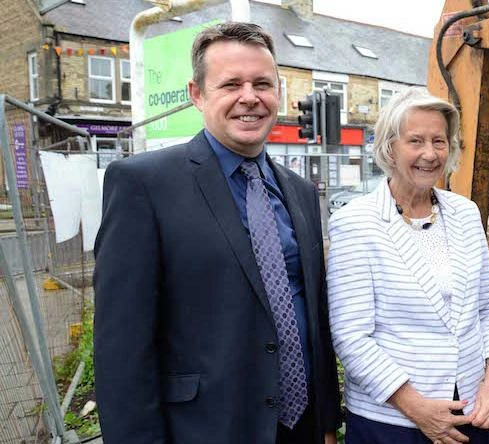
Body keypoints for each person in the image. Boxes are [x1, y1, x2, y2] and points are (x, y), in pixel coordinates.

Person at [93, 22, 341, 444]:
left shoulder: (299, 191)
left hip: (299, 428)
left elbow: (311, 313)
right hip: (205, 429)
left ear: (278, 92)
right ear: (197, 94)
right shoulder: (143, 185)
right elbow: (121, 349)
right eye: (231, 84)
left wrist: (325, 423)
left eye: (263, 83)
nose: (250, 97)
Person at [326, 87, 489, 444]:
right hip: (395, 424)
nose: (430, 154)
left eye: (439, 141)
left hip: (479, 413)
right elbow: (351, 336)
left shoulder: (465, 213)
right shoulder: (356, 222)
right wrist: (417, 408)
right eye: (416, 141)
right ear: (389, 148)